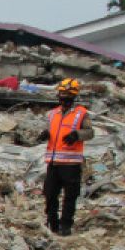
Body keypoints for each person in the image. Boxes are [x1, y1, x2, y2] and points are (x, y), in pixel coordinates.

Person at [39, 78, 95, 236]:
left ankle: (65, 225)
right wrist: (45, 134)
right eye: (62, 95)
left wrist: (76, 135)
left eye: (67, 95)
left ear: (74, 96)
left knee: (70, 196)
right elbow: (51, 131)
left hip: (71, 164)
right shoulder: (53, 114)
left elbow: (90, 132)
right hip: (53, 162)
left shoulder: (81, 114)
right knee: (50, 193)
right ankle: (52, 222)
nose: (64, 98)